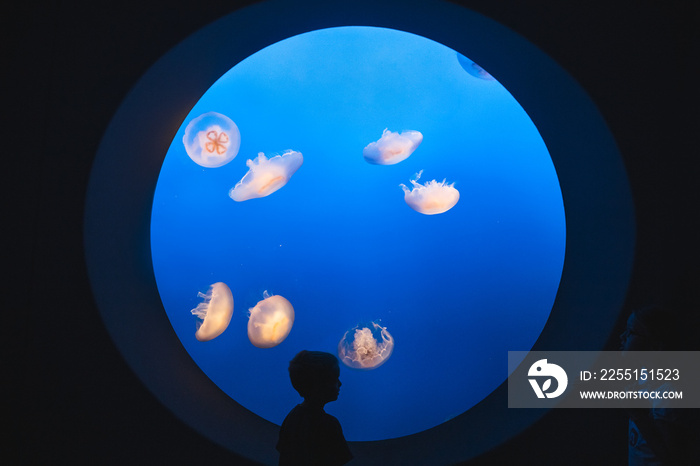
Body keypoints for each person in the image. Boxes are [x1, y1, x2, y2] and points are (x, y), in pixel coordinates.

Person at [619, 306, 694, 465]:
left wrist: (637, 415)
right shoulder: (643, 375)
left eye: (631, 332)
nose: (622, 336)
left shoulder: (668, 393)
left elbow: (674, 459)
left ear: (655, 346)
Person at [277, 350, 353, 466]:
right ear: (319, 384)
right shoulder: (329, 424)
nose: (340, 383)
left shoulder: (292, 416)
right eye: (334, 379)